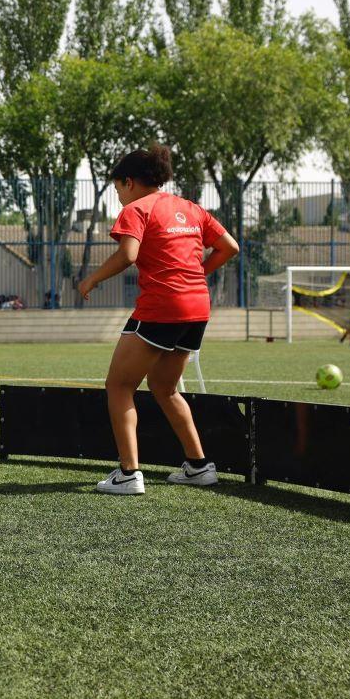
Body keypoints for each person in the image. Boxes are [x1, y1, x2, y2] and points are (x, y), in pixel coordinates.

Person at [77, 145, 239, 495]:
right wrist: (196, 276)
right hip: (197, 308)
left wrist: (91, 279)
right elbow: (230, 247)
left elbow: (128, 254)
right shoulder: (190, 208)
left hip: (162, 306)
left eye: (118, 188)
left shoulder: (136, 209)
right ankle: (199, 467)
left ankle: (128, 473)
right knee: (165, 389)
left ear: (130, 182)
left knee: (119, 386)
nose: (119, 196)